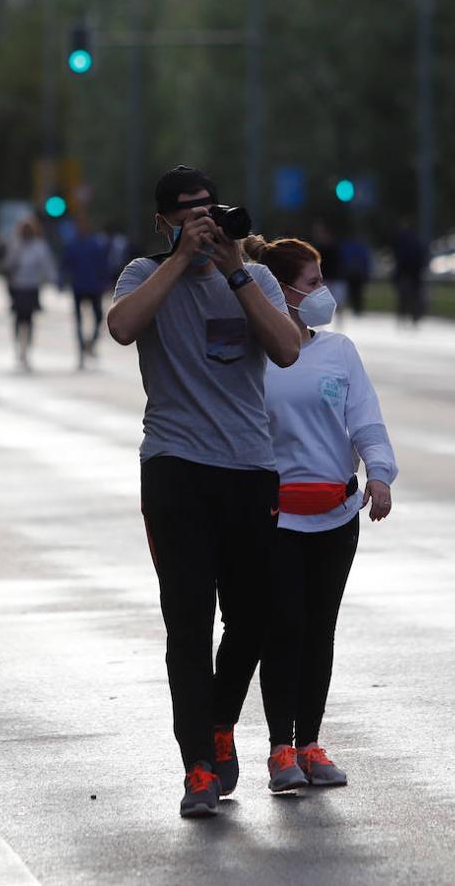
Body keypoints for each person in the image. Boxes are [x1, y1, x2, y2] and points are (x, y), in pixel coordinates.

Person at [106, 166, 302, 818]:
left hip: (249, 468)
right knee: (186, 623)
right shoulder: (143, 272)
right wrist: (182, 259)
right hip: (175, 467)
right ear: (163, 221)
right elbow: (122, 327)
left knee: (253, 616)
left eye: (207, 209)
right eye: (186, 213)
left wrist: (233, 269)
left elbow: (285, 350)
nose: (201, 220)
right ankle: (197, 767)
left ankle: (220, 722)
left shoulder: (256, 276)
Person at [240, 234, 397, 791]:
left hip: (336, 516)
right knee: (284, 628)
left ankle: (310, 743)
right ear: (278, 290)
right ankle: (279, 748)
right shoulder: (254, 353)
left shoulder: (340, 351)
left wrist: (378, 473)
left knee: (319, 631)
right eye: (312, 284)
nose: (323, 293)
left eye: (321, 280)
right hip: (276, 519)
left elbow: (366, 421)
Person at [3, 218, 57, 371]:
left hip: (32, 287)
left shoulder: (39, 247)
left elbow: (47, 265)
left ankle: (27, 347)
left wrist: (51, 280)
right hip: (18, 286)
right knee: (19, 318)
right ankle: (18, 346)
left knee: (30, 318)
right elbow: (8, 264)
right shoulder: (15, 245)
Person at [60, 223, 112, 369]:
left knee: (94, 318)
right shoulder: (85, 245)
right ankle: (84, 347)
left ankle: (88, 344)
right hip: (83, 286)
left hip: (90, 286)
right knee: (84, 319)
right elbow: (66, 265)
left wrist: (105, 281)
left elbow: (102, 265)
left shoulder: (92, 245)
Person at [392, 220, 428, 326]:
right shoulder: (417, 240)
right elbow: (423, 257)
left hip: (405, 272)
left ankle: (402, 316)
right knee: (414, 296)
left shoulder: (402, 240)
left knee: (403, 296)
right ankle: (414, 317)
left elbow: (399, 257)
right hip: (415, 273)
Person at [339, 234, 371, 317]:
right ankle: (357, 307)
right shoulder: (362, 247)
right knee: (358, 291)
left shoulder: (346, 247)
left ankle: (355, 307)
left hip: (350, 272)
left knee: (353, 290)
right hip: (358, 272)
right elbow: (366, 260)